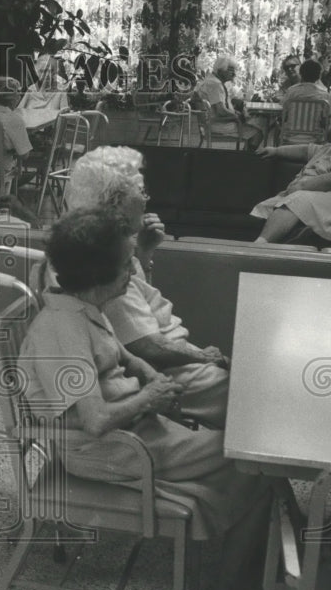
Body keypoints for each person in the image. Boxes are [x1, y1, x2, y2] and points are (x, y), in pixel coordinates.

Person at [19, 208, 278, 590]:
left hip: (138, 431)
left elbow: (125, 355)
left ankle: (245, 573)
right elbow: (95, 419)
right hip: (108, 448)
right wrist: (150, 398)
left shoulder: (83, 306)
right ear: (104, 273)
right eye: (126, 264)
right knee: (257, 464)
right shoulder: (63, 329)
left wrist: (154, 376)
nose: (131, 271)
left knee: (253, 461)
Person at [66, 146, 230, 429]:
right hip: (167, 371)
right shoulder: (102, 260)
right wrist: (206, 356)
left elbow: (140, 317)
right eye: (141, 192)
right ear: (114, 201)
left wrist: (144, 253)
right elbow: (147, 347)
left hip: (172, 357)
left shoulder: (113, 242)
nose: (146, 199)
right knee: (251, 398)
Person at [251, 118, 331, 244]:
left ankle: (260, 244)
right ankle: (294, 236)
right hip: (311, 196)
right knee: (267, 208)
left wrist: (300, 186)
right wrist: (276, 151)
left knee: (297, 201)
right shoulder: (328, 149)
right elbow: (303, 151)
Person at [194, 56, 264, 151]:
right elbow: (221, 111)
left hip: (211, 123)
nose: (234, 74)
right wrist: (236, 115)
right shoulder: (215, 84)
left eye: (234, 70)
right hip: (218, 124)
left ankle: (242, 158)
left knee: (251, 123)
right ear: (220, 70)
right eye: (230, 70)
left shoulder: (211, 80)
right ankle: (244, 160)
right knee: (257, 133)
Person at [279, 59, 331, 143]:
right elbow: (326, 119)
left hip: (290, 135)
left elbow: (283, 112)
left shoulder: (291, 91)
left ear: (301, 74)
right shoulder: (324, 95)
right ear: (319, 76)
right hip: (315, 138)